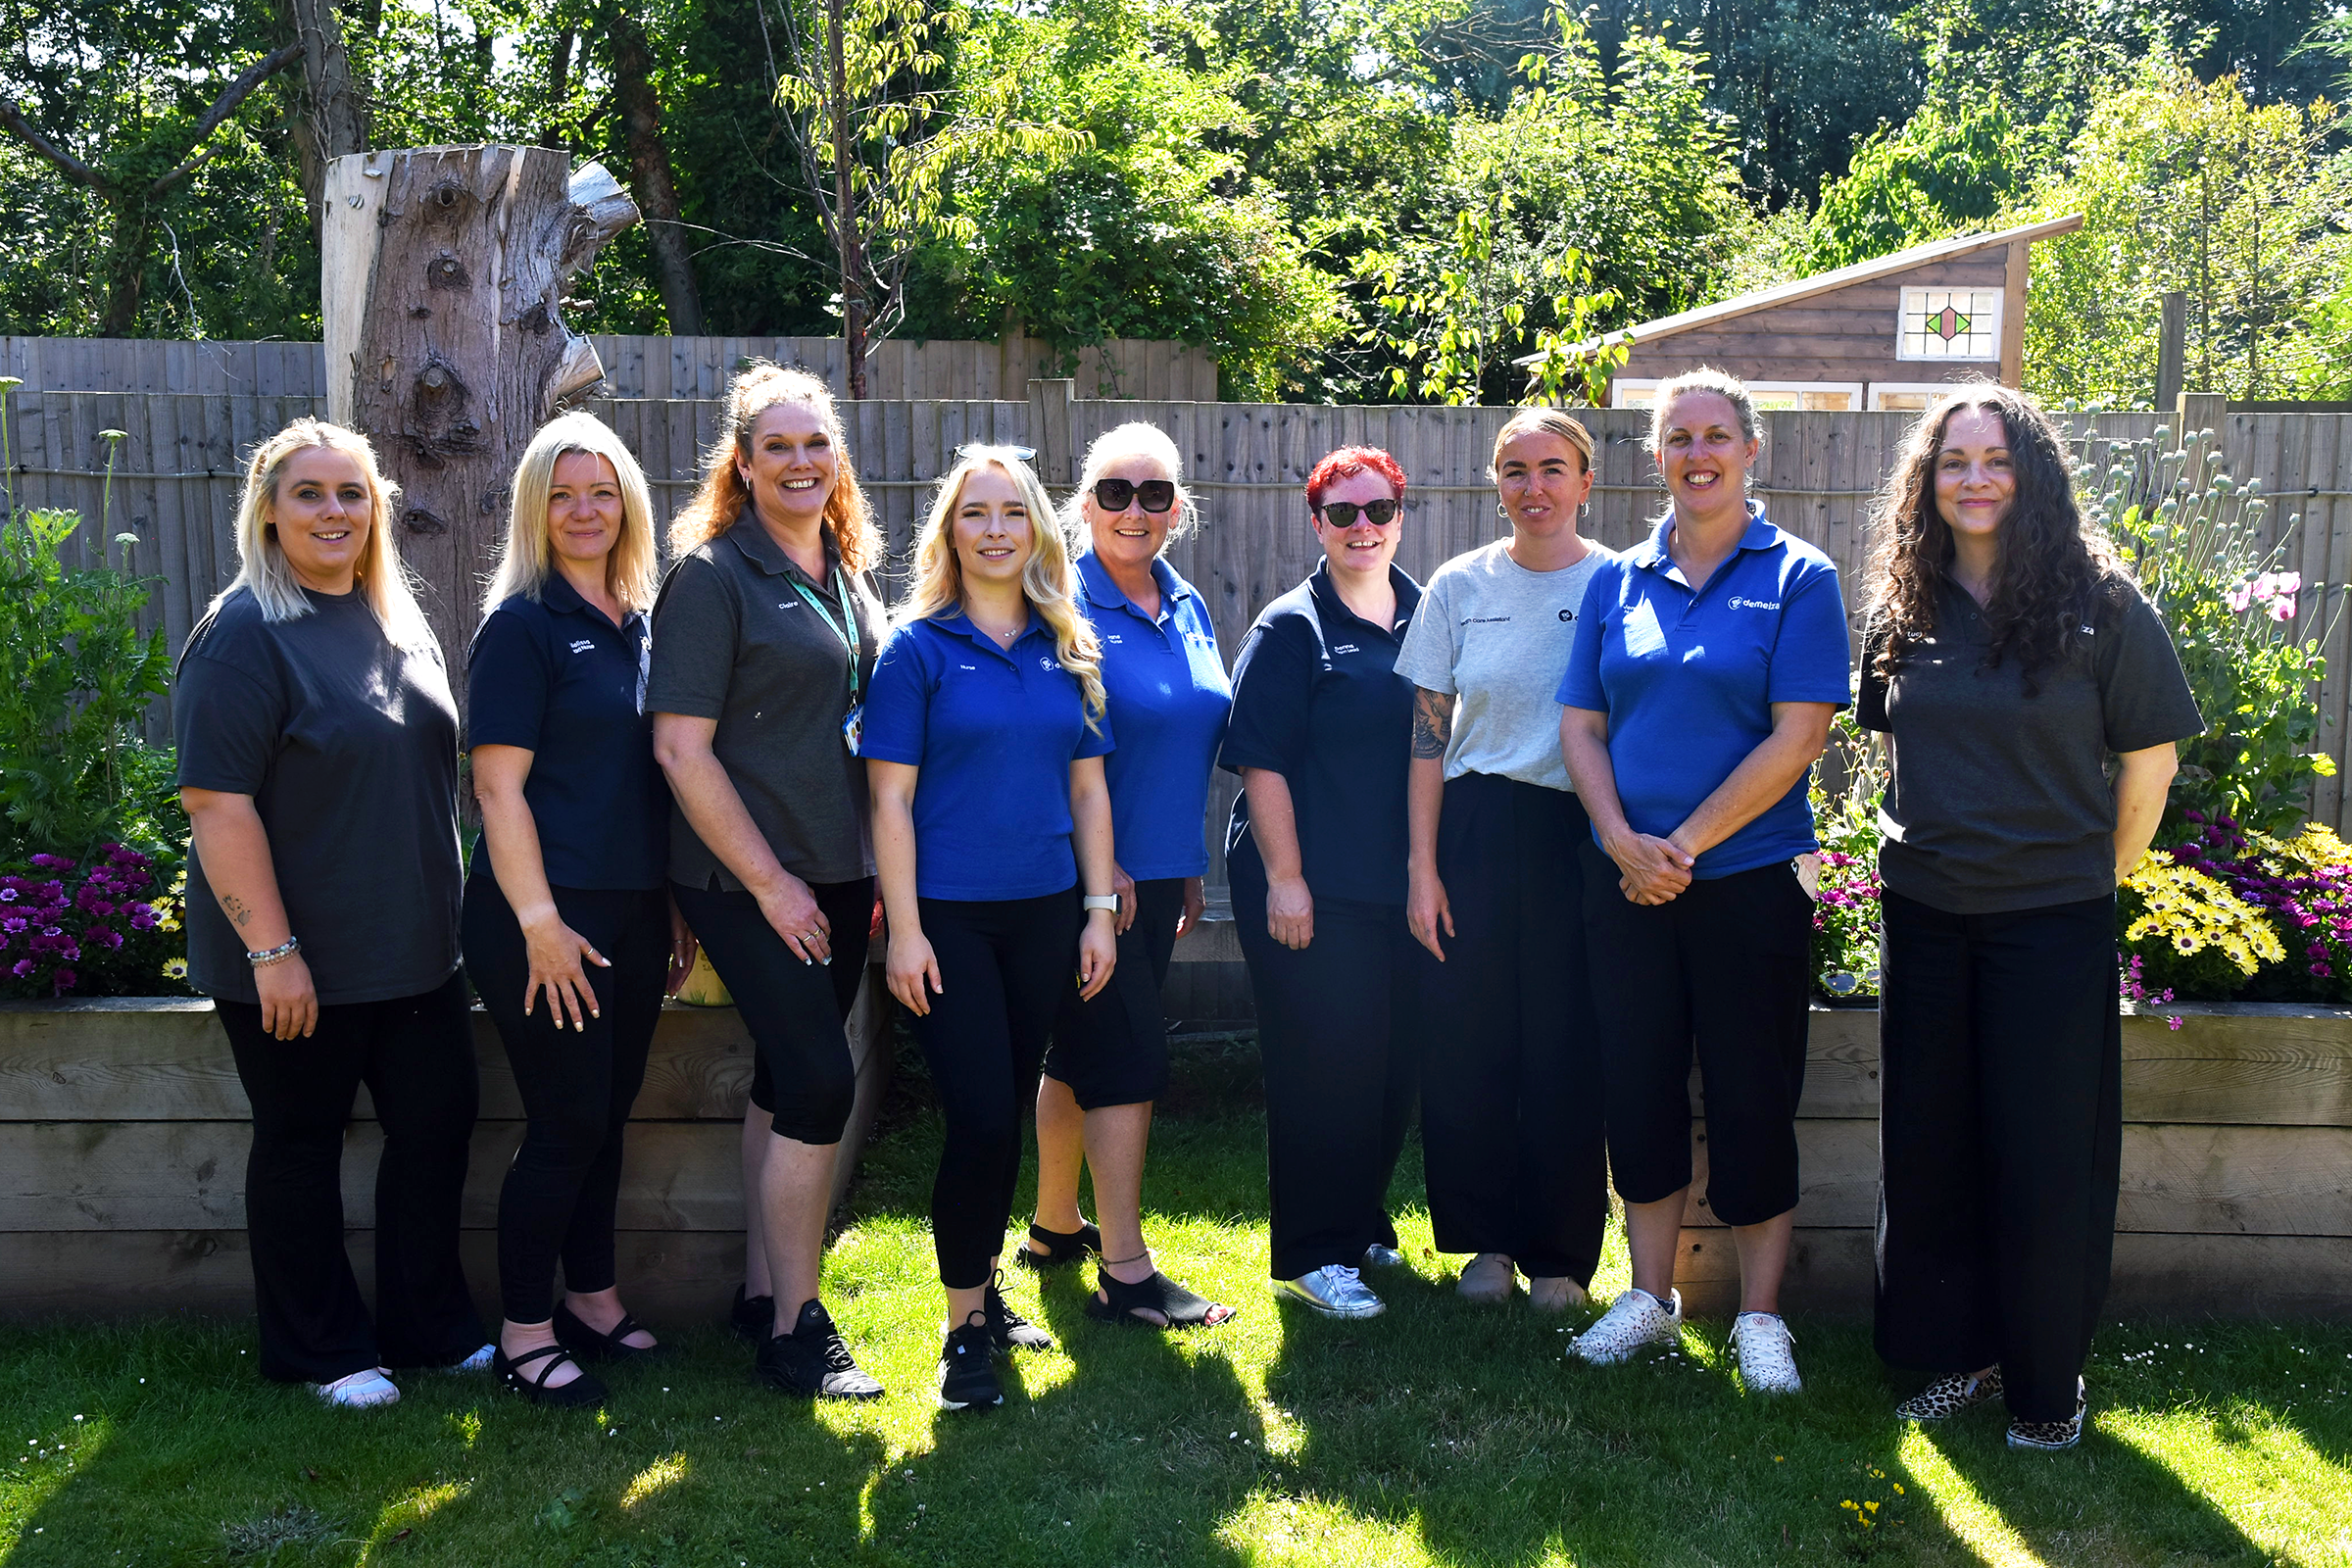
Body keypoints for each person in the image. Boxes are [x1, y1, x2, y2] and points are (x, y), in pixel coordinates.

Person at [1860, 386, 2198, 1451]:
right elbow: (1889, 742)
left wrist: (2092, 874)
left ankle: (2048, 1387)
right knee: (1932, 1148)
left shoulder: (2101, 601)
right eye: (1952, 460)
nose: (1973, 478)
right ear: (1928, 480)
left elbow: (2150, 760)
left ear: (2032, 473)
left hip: (2049, 922)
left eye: (1995, 459)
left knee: (2045, 1156)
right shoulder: (1901, 604)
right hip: (1924, 915)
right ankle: (1958, 1356)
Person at [175, 418, 488, 1408]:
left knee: (437, 1127)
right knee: (303, 1141)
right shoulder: (242, 634)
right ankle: (319, 1349)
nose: (334, 511)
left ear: (378, 510)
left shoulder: (394, 616)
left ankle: (428, 1327)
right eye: (309, 493)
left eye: (352, 492)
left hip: (416, 953)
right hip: (296, 955)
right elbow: (216, 805)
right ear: (268, 511)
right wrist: (272, 950)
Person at [1557, 368, 1850, 1394]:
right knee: (1636, 1084)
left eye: (1716, 434)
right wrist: (1620, 839)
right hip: (1626, 883)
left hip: (1748, 884)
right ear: (1655, 455)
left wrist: (1676, 844)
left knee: (1752, 1093)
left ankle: (1762, 1317)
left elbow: (1800, 732)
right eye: (1678, 436)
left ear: (1750, 449)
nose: (1698, 452)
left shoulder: (1801, 576)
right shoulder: (1615, 580)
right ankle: (1650, 1298)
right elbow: (1581, 726)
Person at [648, 365, 887, 1399]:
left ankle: (757, 1295)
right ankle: (800, 1329)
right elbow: (680, 751)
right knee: (824, 1078)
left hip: (836, 871)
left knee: (788, 1082)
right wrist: (771, 884)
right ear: (740, 464)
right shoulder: (712, 578)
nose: (799, 461)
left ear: (836, 461)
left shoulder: (844, 565)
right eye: (776, 446)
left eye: (815, 444)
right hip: (745, 875)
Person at [863, 446, 1119, 1410]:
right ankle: (963, 1324)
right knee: (975, 1115)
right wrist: (907, 932)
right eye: (977, 513)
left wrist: (1098, 912)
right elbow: (889, 803)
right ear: (951, 531)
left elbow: (1088, 791)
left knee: (1005, 1107)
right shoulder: (916, 650)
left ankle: (983, 1287)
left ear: (1038, 530)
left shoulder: (1069, 646)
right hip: (952, 923)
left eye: (1014, 511)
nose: (997, 529)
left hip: (1048, 912)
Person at [463, 413, 697, 1406]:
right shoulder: (522, 626)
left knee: (605, 1118)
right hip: (542, 923)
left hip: (637, 913)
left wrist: (672, 909)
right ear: (536, 510)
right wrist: (540, 924)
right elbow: (498, 791)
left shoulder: (646, 624)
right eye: (563, 494)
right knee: (564, 1123)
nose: (585, 510)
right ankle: (524, 1328)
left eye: (602, 491)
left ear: (629, 504)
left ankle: (594, 1299)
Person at [1019, 422, 1236, 1330]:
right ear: (1082, 503)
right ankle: (1127, 1272)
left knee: (1081, 1054)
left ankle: (1053, 1225)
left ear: (1177, 509)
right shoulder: (1059, 600)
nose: (1133, 510)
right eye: (1114, 491)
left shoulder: (1185, 603)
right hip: (1089, 884)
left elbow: (1184, 737)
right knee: (1127, 1063)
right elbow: (1052, 748)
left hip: (1159, 873)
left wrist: (1183, 863)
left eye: (1153, 494)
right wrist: (1103, 876)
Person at [1398, 408, 1614, 1311]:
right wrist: (1422, 865)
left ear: (1586, 482)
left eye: (1553, 469)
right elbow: (1425, 738)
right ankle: (1483, 1246)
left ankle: (1561, 1257)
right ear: (1495, 483)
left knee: (1567, 1048)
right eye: (1516, 470)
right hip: (1474, 832)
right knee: (1467, 1042)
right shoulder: (1456, 586)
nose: (1535, 488)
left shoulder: (1621, 584)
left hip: (1580, 832)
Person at [1220, 445, 1433, 1320]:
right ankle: (1313, 1254)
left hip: (1399, 880)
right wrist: (1287, 879)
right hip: (1309, 880)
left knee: (1392, 1064)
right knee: (1325, 1065)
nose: (1361, 528)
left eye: (1377, 510)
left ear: (1399, 516)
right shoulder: (1291, 626)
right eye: (1341, 513)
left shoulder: (1429, 612)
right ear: (1317, 523)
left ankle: (1360, 1220)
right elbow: (1259, 762)